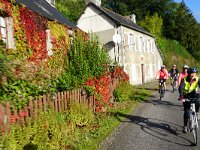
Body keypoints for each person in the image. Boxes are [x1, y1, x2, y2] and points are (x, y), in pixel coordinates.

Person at [179, 67, 200, 133]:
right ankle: (185, 126)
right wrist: (181, 96)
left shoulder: (197, 79)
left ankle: (197, 112)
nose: (193, 75)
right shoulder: (184, 79)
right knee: (187, 112)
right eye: (191, 73)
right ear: (188, 74)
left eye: (194, 73)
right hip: (186, 95)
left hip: (194, 94)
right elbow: (181, 88)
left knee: (198, 100)